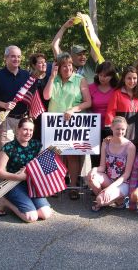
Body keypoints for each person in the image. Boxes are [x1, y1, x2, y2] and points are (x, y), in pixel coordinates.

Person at [43, 52, 92, 200]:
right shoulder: (54, 79)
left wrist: (73, 109)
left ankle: (73, 185)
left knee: (72, 155)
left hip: (73, 123)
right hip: (55, 123)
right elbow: (46, 96)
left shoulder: (80, 80)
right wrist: (52, 77)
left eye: (69, 65)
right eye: (64, 66)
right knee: (56, 154)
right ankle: (56, 184)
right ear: (58, 67)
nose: (67, 68)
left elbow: (88, 102)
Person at [0, 117, 52, 223]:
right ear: (18, 129)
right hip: (12, 184)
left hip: (31, 183)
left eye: (31, 130)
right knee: (31, 217)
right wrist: (18, 177)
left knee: (45, 214)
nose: (28, 133)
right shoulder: (9, 147)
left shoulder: (36, 145)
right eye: (25, 129)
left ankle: (27, 203)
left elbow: (43, 164)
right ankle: (5, 202)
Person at [0, 45, 30, 174]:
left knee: (20, 151)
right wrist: (4, 104)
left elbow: (32, 97)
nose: (16, 59)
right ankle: (2, 183)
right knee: (4, 151)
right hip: (5, 119)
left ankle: (16, 181)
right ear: (6, 58)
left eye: (18, 56)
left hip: (23, 119)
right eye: (12, 56)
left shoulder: (26, 75)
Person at [86, 116, 136, 212]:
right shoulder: (106, 143)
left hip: (123, 182)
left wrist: (109, 188)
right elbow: (102, 167)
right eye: (117, 129)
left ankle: (117, 200)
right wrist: (94, 170)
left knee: (100, 200)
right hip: (109, 178)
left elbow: (126, 175)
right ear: (112, 128)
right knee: (90, 177)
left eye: (123, 129)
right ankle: (114, 199)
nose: (120, 132)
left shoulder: (130, 147)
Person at [51, 15, 101, 84]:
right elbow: (54, 45)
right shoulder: (66, 66)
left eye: (84, 54)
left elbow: (97, 44)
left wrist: (87, 27)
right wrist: (64, 27)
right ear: (71, 57)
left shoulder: (90, 65)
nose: (83, 57)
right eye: (79, 54)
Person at [105, 66, 138, 147]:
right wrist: (110, 132)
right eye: (129, 78)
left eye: (134, 78)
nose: (132, 81)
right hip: (121, 135)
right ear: (123, 79)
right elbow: (110, 113)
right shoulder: (117, 94)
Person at [88, 61, 118, 167]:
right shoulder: (91, 88)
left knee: (112, 156)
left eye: (106, 76)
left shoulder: (117, 89)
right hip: (94, 127)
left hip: (112, 128)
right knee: (96, 155)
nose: (102, 78)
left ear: (112, 76)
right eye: (100, 75)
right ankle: (95, 179)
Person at [28, 53, 51, 141]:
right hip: (35, 116)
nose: (44, 64)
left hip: (49, 114)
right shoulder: (29, 79)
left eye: (44, 62)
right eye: (40, 63)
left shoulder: (50, 77)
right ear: (34, 65)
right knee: (36, 141)